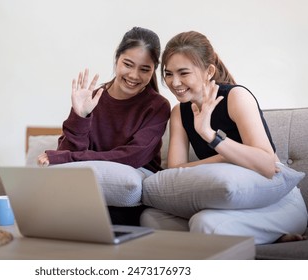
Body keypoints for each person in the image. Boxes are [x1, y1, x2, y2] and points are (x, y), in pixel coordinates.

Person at [160, 31, 307, 244]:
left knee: (205, 224)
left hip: (277, 201)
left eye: (183, 73)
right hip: (230, 203)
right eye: (168, 73)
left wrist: (210, 135)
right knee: (152, 220)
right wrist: (225, 158)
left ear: (209, 71)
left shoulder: (236, 97)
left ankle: (273, 232)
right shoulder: (179, 112)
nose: (174, 82)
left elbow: (268, 164)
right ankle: (267, 236)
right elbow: (175, 170)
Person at [37, 27, 171, 225]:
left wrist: (66, 157)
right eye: (128, 64)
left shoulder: (157, 106)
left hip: (125, 200)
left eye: (145, 69)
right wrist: (80, 115)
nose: (134, 75)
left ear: (153, 70)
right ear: (117, 58)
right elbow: (69, 158)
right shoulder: (92, 98)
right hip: (87, 188)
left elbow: (132, 156)